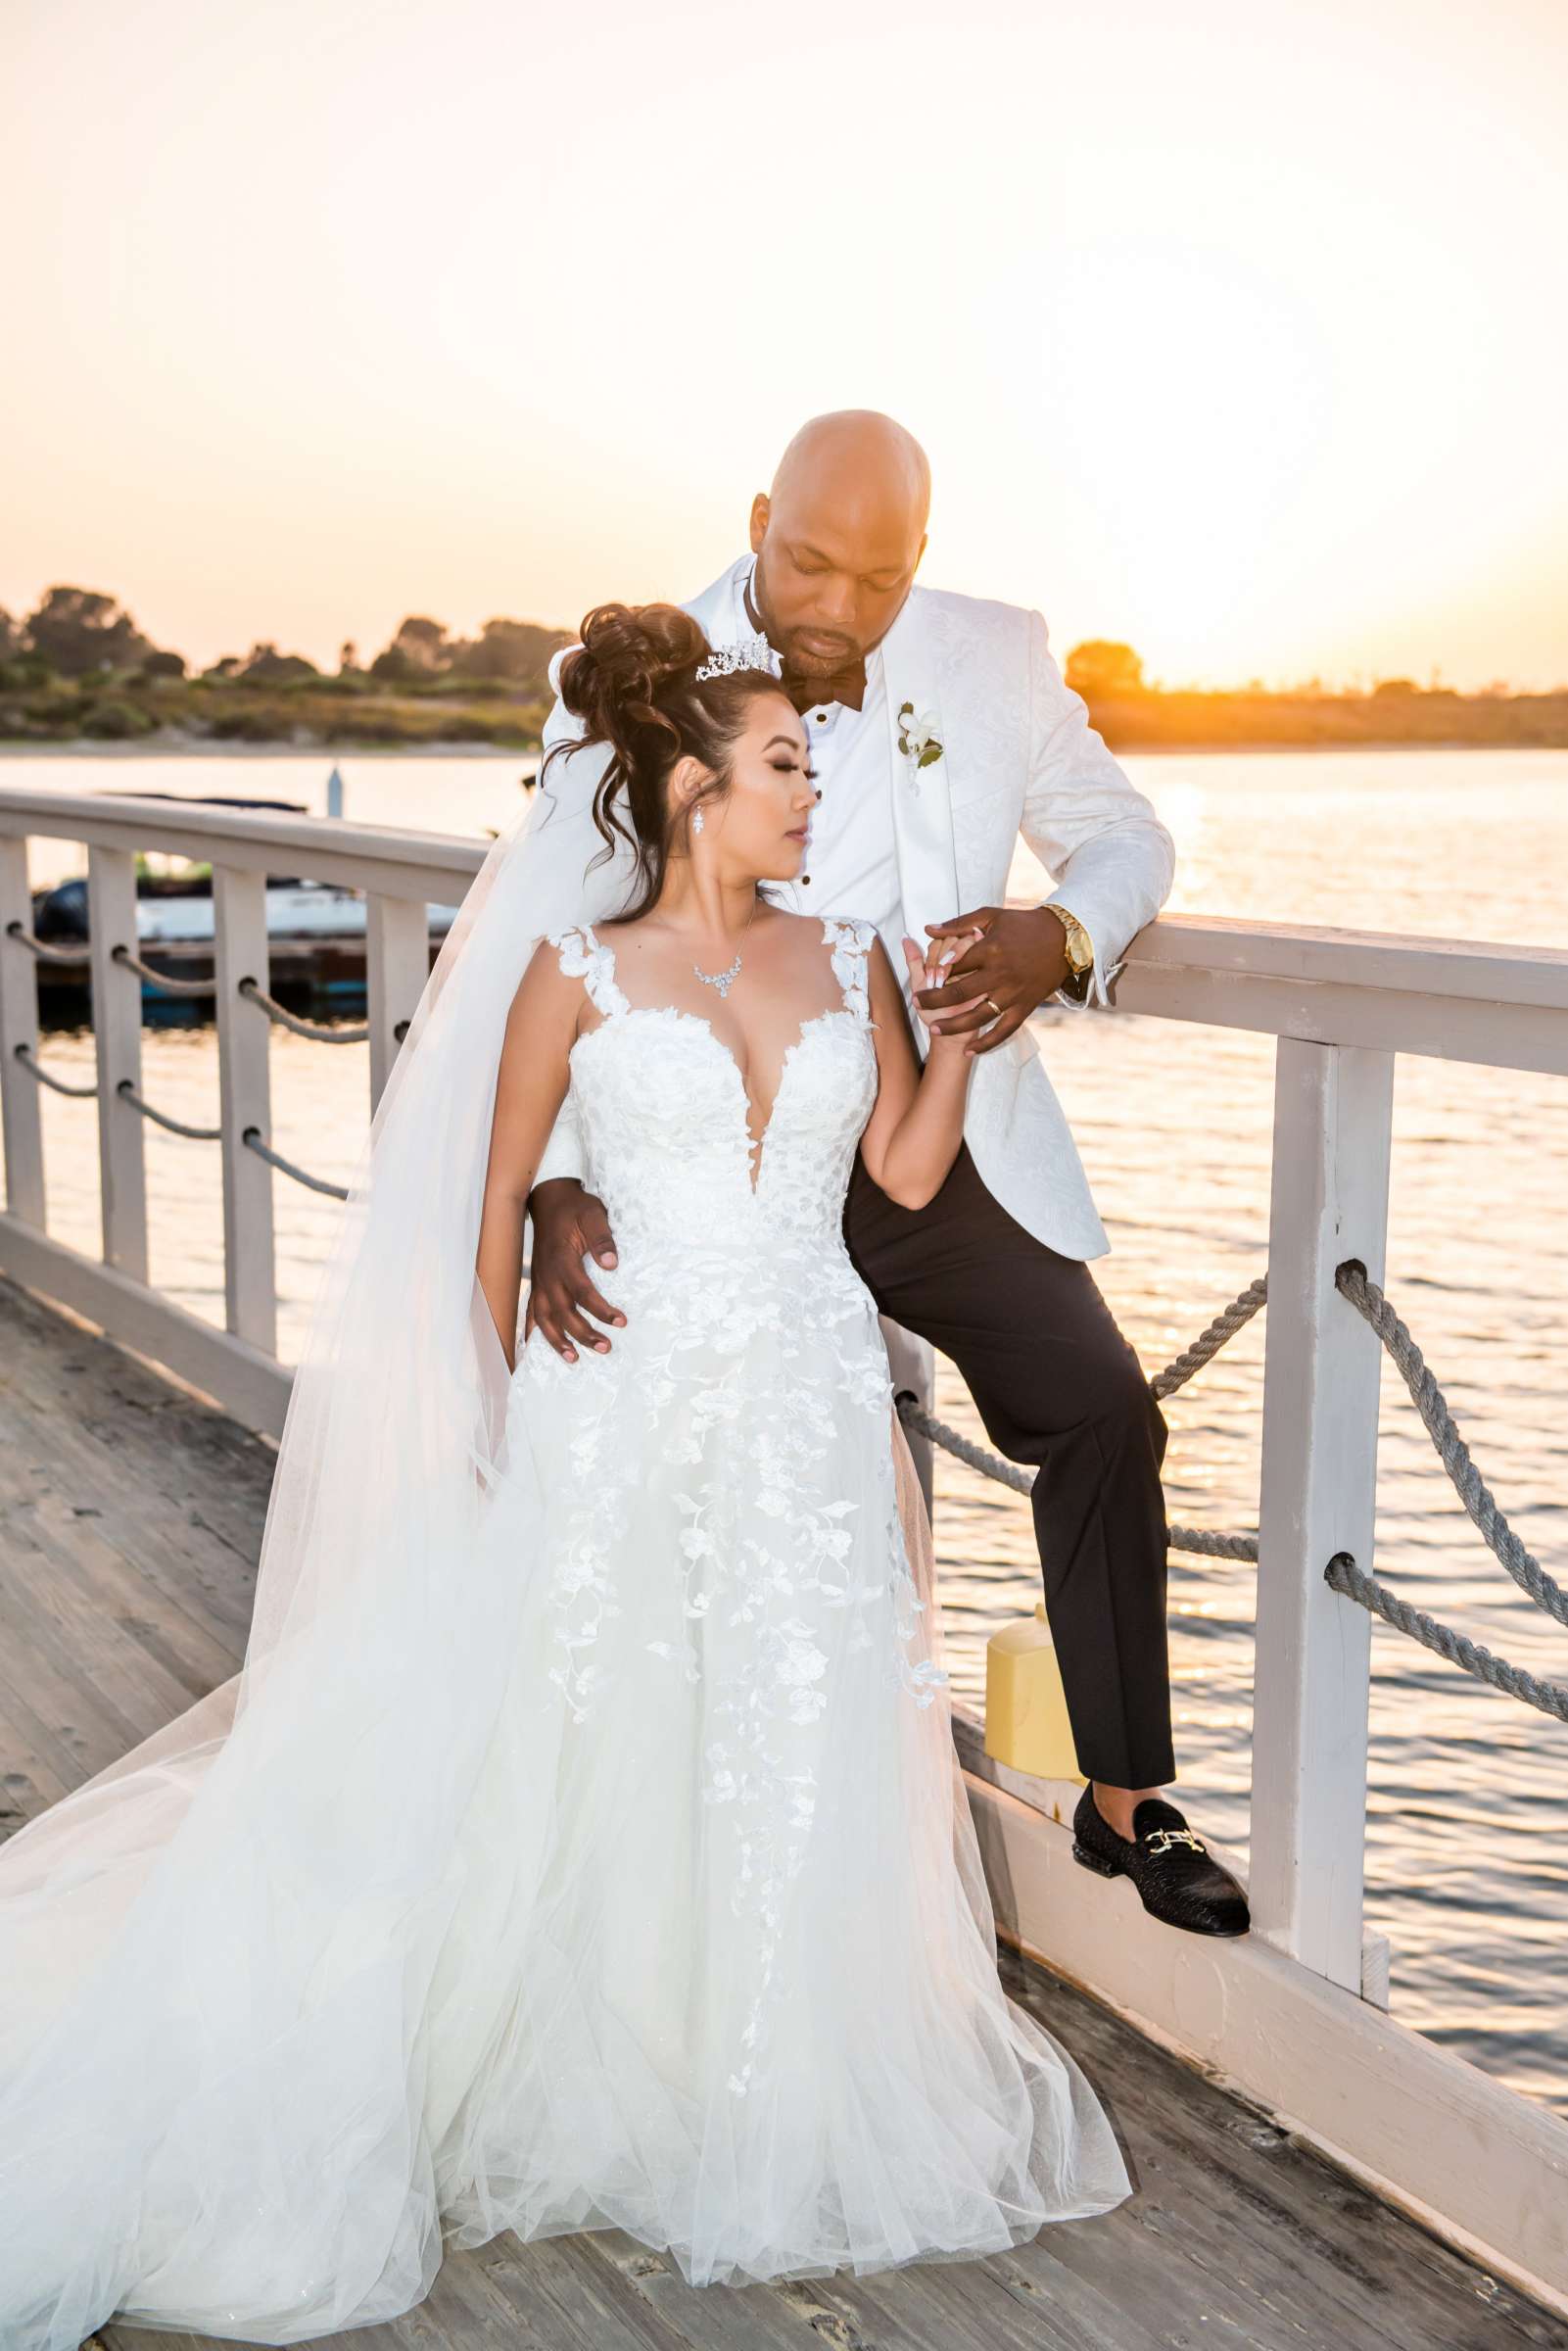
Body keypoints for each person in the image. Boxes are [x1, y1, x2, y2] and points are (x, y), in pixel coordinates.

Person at [0, 604, 1131, 2345]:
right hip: (619, 1399)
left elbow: (901, 1181)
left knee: (793, 1716)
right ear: (690, 790)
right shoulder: (573, 974)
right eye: (779, 768)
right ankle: (590, 2047)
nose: (813, 794)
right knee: (606, 1716)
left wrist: (967, 1013)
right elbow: (478, 1215)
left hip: (811, 1394)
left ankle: (760, 2068)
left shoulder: (843, 955)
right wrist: (478, 1424)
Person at [524, 410, 1249, 1938]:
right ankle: (655, 1830)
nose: (835, 611)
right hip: (690, 1155)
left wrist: (1057, 938)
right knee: (659, 1465)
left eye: (877, 579)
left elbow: (1119, 836)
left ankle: (1123, 1802)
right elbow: (565, 925)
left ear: (920, 560)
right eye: (805, 565)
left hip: (916, 1127)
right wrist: (556, 1175)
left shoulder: (992, 659)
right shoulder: (645, 669)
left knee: (1102, 1402)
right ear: (755, 518)